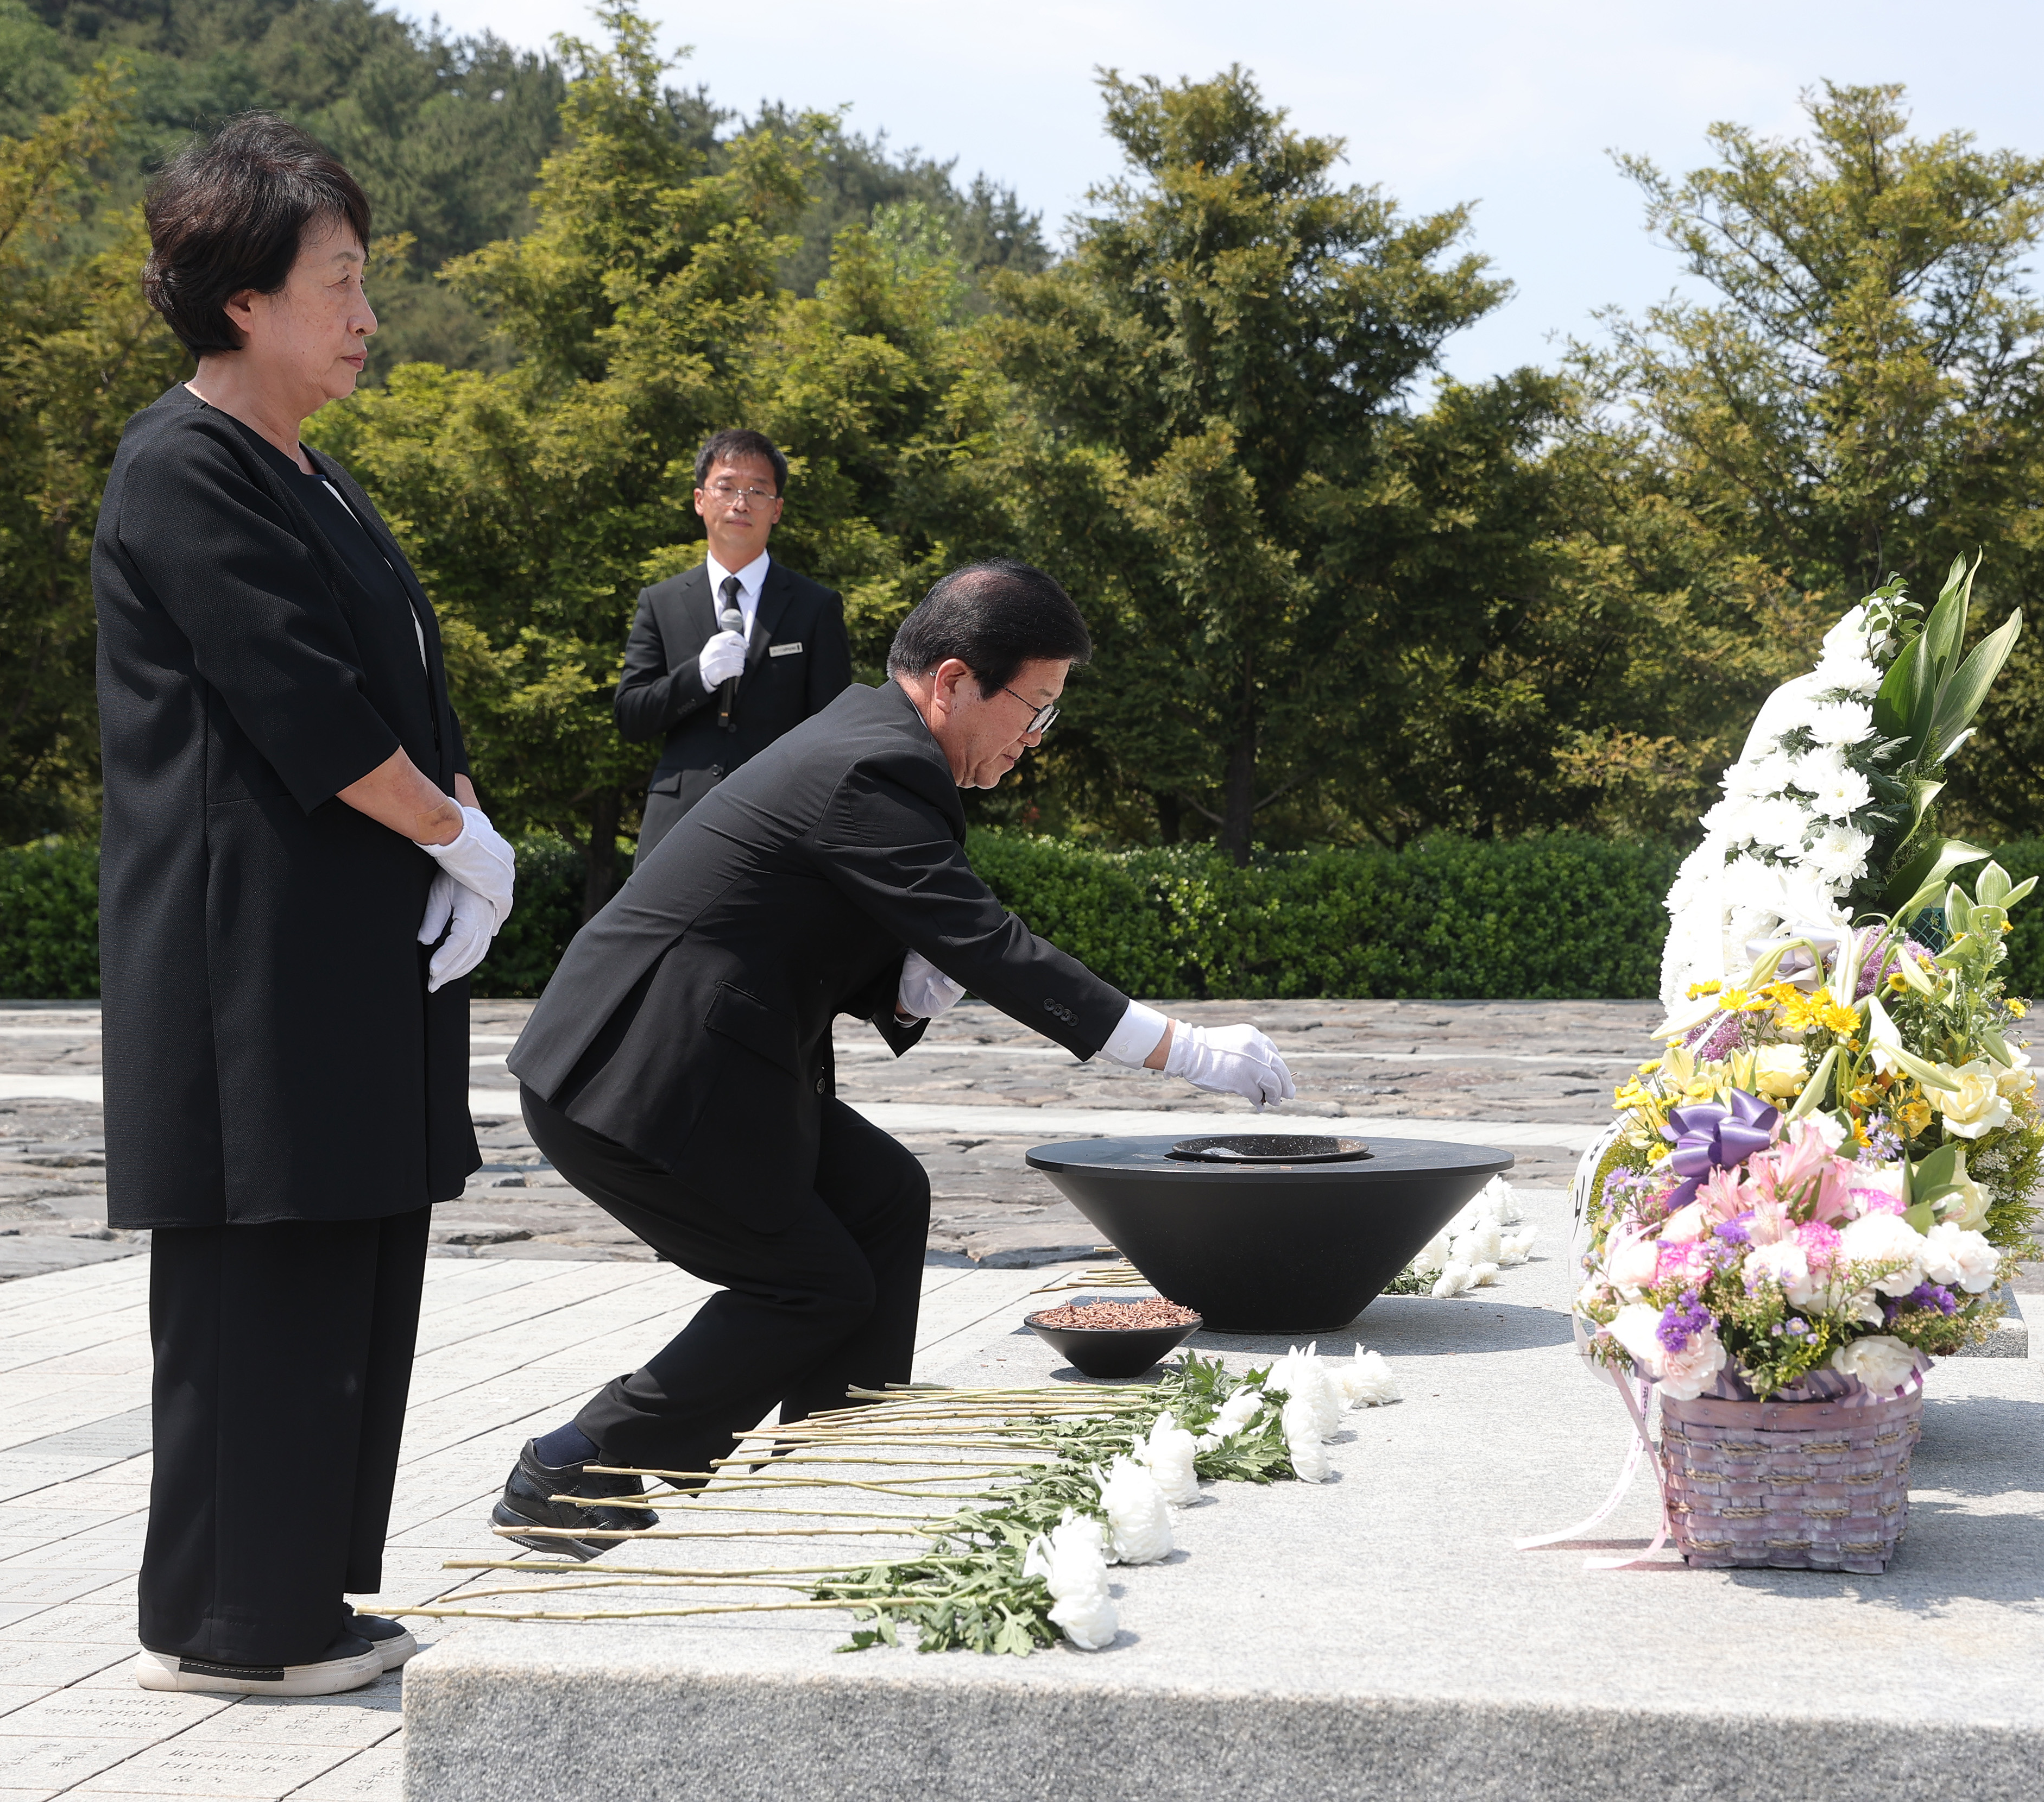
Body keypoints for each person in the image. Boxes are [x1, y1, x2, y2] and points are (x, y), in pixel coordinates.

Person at [493, 560, 1294, 1557]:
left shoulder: (872, 744)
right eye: (1033, 710)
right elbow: (995, 946)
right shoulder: (873, 764)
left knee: (882, 1194)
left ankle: (836, 1453)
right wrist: (1188, 1050)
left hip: (707, 1066)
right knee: (810, 1283)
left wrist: (901, 981)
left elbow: (821, 923)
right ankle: (573, 1462)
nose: (1033, 741)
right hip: (638, 1075)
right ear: (955, 682)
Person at [94, 114, 517, 1697]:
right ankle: (238, 1623)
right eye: (338, 281)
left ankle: (288, 1600)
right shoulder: (183, 466)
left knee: (341, 1254)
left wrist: (460, 825)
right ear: (242, 299)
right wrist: (451, 833)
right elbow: (308, 701)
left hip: (335, 951)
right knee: (264, 1275)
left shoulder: (307, 473)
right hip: (243, 963)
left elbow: (391, 686)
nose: (366, 313)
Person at [617, 429, 854, 865]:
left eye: (757, 491)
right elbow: (631, 716)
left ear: (777, 509)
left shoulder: (815, 606)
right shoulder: (661, 601)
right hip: (675, 827)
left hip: (779, 827)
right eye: (725, 488)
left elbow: (833, 733)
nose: (740, 503)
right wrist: (698, 677)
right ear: (699, 500)